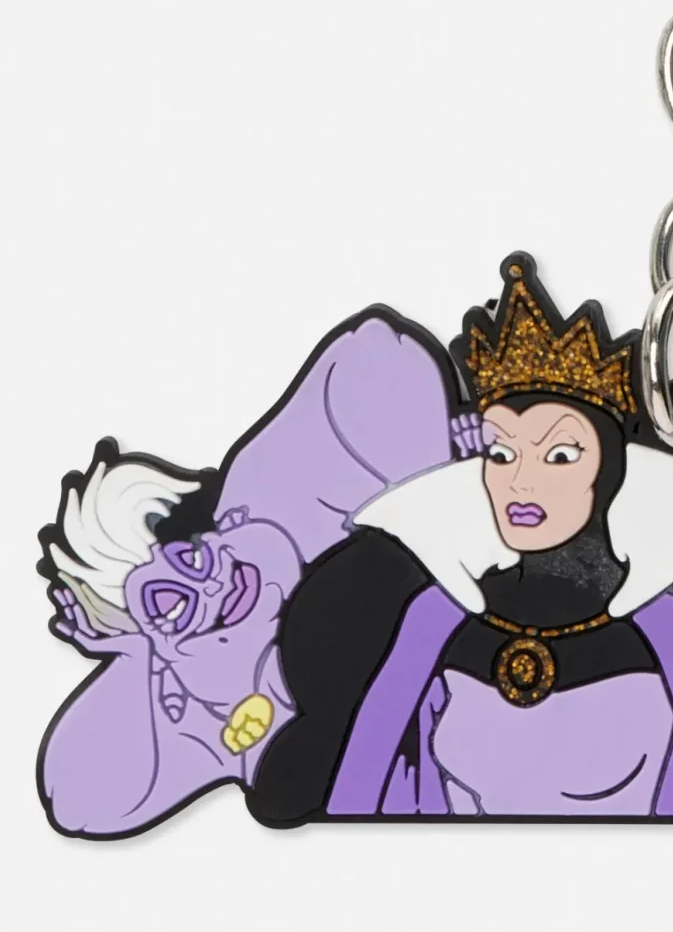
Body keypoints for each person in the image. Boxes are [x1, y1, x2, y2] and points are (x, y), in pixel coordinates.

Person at [248, 257, 673, 821]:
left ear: (610, 469)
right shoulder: (432, 622)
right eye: (501, 452)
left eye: (560, 454)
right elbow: (376, 784)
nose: (521, 482)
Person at [37, 306, 458, 836]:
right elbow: (77, 799)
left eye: (192, 556)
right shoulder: (185, 702)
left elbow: (380, 354)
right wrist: (138, 655)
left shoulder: (269, 500)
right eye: (170, 603)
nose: (211, 587)